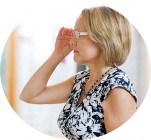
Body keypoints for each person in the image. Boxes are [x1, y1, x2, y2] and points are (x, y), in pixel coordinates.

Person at [20, 6, 137, 140]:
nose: (72, 41)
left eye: (78, 34)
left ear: (102, 38)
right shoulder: (81, 81)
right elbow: (29, 96)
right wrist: (57, 55)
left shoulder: (117, 89)